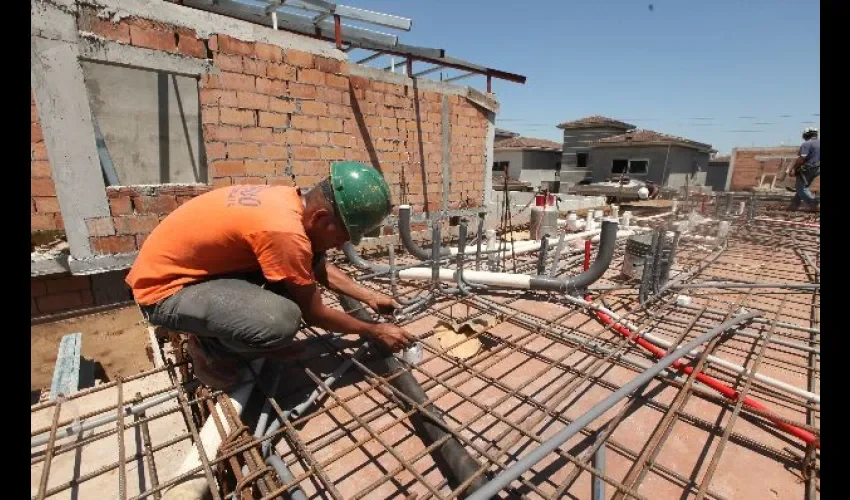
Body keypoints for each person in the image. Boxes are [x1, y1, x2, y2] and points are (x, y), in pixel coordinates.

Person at [126, 161, 415, 390]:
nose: (343, 245)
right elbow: (314, 314)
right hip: (164, 292)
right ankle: (209, 350)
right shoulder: (285, 233)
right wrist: (374, 331)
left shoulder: (290, 202)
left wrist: (371, 296)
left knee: (297, 273)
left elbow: (315, 265)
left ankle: (235, 337)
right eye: (344, 235)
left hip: (193, 272)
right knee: (282, 321)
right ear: (321, 219)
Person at [788, 127, 820, 211]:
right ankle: (794, 205)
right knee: (803, 187)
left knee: (800, 188)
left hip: (808, 168)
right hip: (817, 169)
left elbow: (802, 158)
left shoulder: (806, 144)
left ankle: (814, 204)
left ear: (806, 135)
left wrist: (794, 169)